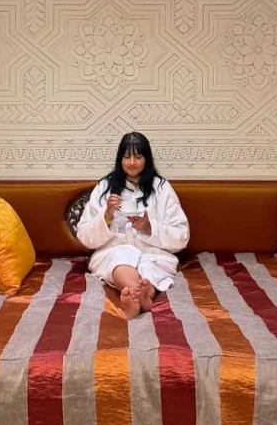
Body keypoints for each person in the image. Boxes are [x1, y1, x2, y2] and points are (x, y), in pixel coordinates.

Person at [75, 132, 190, 319]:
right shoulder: (105, 187)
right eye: (127, 157)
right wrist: (106, 217)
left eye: (138, 156)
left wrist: (149, 228)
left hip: (154, 251)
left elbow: (182, 235)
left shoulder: (161, 188)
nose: (132, 163)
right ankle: (138, 293)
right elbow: (85, 235)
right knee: (120, 259)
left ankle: (141, 294)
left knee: (152, 266)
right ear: (120, 159)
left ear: (147, 159)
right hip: (115, 249)